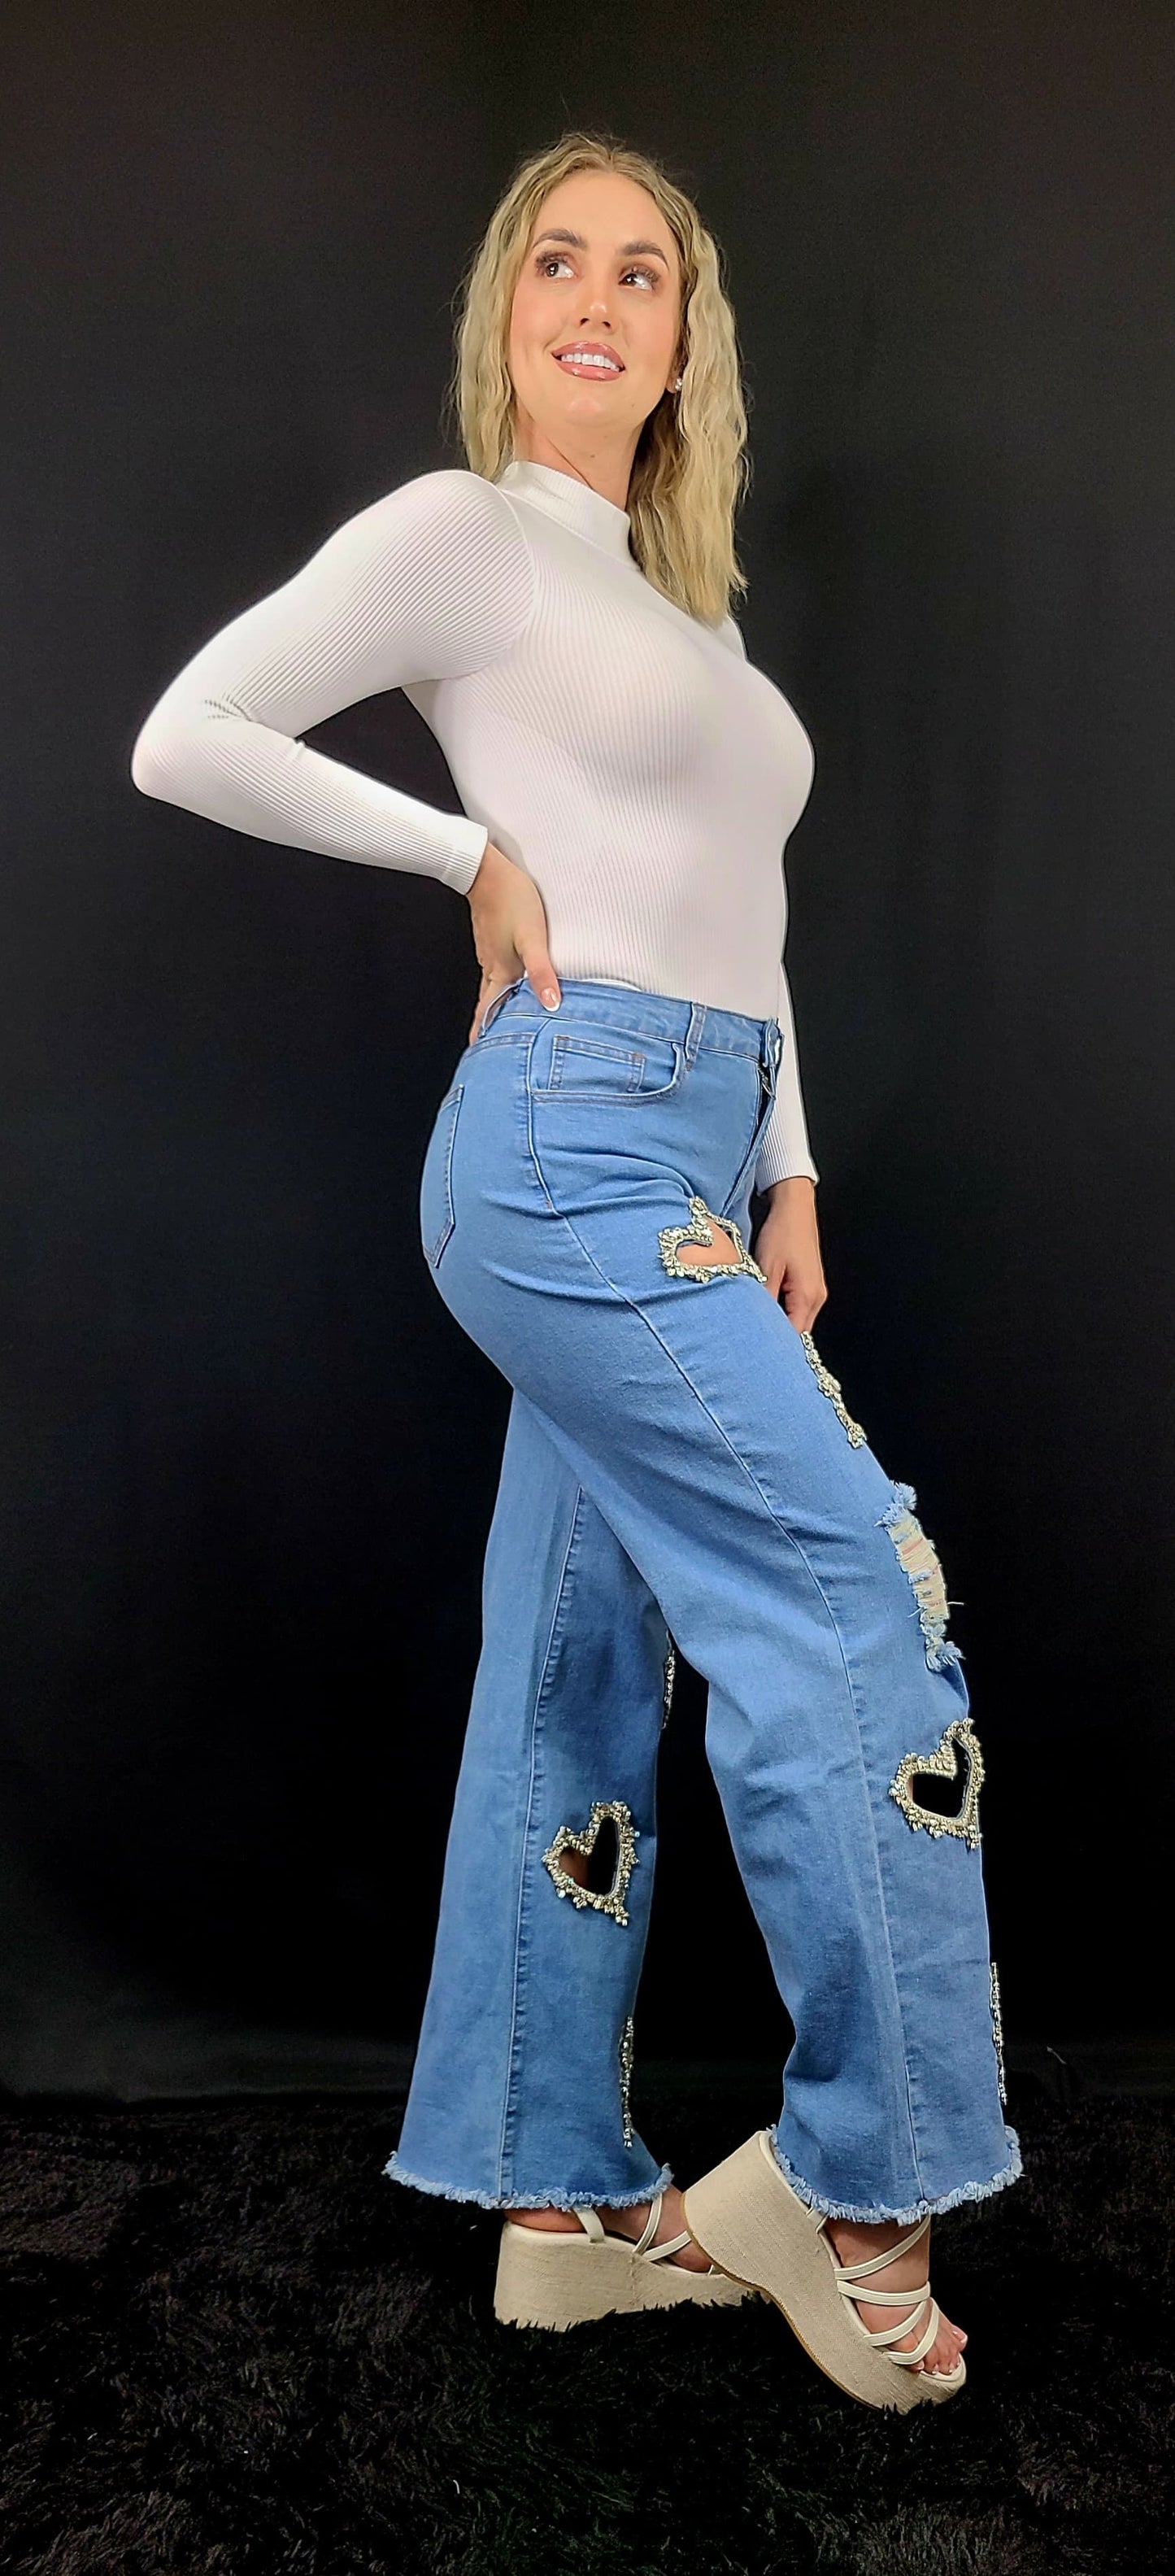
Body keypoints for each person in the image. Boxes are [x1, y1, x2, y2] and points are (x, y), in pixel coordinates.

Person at [129, 128, 1019, 2410]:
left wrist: (792, 1171)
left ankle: (554, 2200)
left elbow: (749, 913)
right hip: (565, 1131)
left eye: (644, 270)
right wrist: (468, 856)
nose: (599, 297)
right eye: (559, 261)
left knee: (575, 1667)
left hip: (699, 1140)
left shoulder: (688, 618)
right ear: (505, 314)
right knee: (856, 1597)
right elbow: (185, 732)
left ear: (688, 337)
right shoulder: (468, 532)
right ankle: (861, 2191)